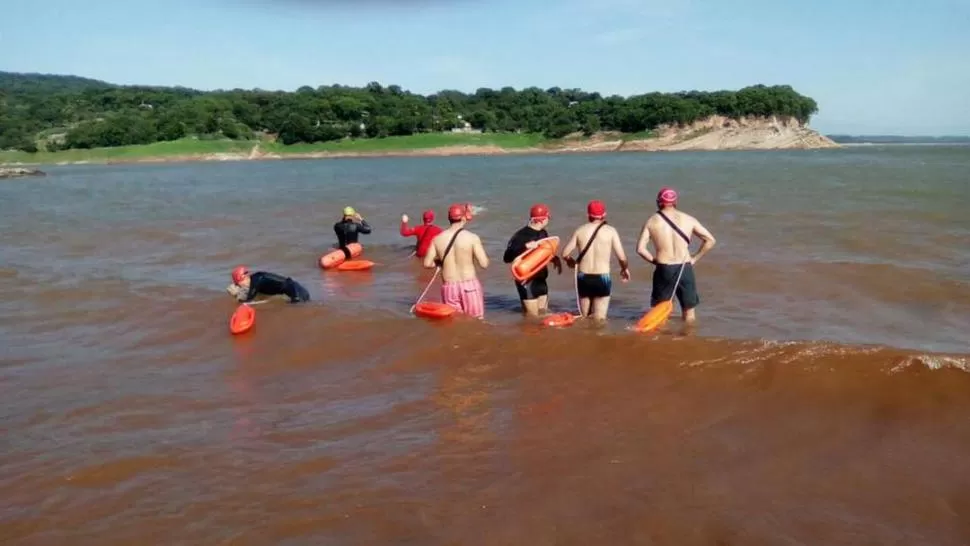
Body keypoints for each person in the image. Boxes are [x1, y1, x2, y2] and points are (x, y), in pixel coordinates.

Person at [635, 187, 716, 324]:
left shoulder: (652, 221)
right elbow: (710, 240)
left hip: (664, 267)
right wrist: (695, 258)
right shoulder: (689, 219)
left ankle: (661, 341)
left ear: (658, 202)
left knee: (660, 310)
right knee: (689, 310)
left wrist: (655, 261)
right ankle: (688, 339)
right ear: (675, 202)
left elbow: (640, 249)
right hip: (685, 267)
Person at [560, 200, 631, 321]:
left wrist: (570, 261)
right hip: (602, 278)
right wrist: (624, 269)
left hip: (583, 277)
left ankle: (585, 338)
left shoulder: (580, 230)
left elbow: (565, 253)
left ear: (588, 215)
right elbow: (622, 257)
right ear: (604, 214)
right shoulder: (611, 231)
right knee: (600, 320)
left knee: (584, 317)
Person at [423, 203, 489, 319]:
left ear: (449, 219)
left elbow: (427, 264)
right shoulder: (472, 237)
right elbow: (484, 264)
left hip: (449, 287)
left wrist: (439, 262)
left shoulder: (437, 239)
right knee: (476, 320)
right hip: (469, 285)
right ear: (463, 218)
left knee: (455, 321)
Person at [502, 203, 562, 317]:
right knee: (531, 319)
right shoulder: (520, 236)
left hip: (541, 279)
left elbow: (544, 251)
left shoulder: (543, 233)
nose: (548, 220)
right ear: (542, 220)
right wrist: (525, 247)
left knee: (543, 314)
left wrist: (554, 259)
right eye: (547, 218)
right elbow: (507, 257)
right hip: (527, 281)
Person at [226, 266, 311, 303]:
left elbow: (248, 301)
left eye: (239, 285)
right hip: (297, 290)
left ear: (243, 278)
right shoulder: (255, 279)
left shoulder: (256, 281)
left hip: (297, 293)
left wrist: (237, 298)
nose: (241, 287)